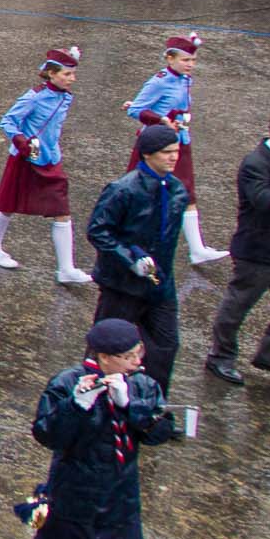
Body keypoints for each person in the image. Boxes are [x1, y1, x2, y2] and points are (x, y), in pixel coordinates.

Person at [22, 319, 176, 539]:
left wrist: (131, 407)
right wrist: (76, 407)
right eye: (127, 355)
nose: (137, 360)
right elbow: (49, 435)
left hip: (121, 493)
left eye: (138, 351)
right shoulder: (67, 383)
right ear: (104, 357)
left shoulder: (143, 385)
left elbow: (159, 432)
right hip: (75, 492)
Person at [87, 125, 189, 393]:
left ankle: (151, 403)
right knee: (106, 346)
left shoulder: (177, 189)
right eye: (166, 152)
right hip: (123, 286)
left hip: (160, 285)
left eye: (176, 151)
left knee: (165, 345)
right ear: (147, 154)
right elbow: (98, 230)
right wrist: (129, 259)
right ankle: (93, 399)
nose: (173, 157)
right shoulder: (123, 190)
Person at [0, 46, 95, 286]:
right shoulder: (34, 96)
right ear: (51, 73)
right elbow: (8, 121)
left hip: (50, 161)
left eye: (73, 74)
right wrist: (22, 142)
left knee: (62, 209)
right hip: (25, 159)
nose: (72, 79)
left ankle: (66, 268)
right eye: (67, 74)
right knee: (7, 205)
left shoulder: (65, 97)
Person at [123, 33, 228, 266]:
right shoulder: (160, 81)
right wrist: (161, 120)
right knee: (141, 194)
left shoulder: (184, 79)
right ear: (169, 59)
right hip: (158, 145)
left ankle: (197, 250)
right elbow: (136, 110)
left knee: (188, 193)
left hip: (180, 141)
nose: (190, 65)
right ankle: (128, 243)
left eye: (193, 60)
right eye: (185, 60)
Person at [206, 116, 270, 384]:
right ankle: (220, 356)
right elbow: (263, 201)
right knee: (237, 305)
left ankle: (268, 356)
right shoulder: (255, 163)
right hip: (257, 251)